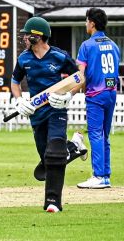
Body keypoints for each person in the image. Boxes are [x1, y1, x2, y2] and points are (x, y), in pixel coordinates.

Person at [10, 16, 86, 213]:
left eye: (27, 35)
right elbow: (15, 82)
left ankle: (53, 202)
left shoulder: (60, 57)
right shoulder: (23, 58)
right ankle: (74, 146)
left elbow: (80, 78)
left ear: (39, 36)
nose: (25, 38)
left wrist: (68, 96)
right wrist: (19, 100)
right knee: (47, 159)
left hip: (56, 109)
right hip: (36, 114)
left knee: (54, 154)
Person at [75, 8, 120, 189]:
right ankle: (106, 175)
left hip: (95, 94)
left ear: (92, 23)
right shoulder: (114, 45)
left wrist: (71, 93)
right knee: (104, 135)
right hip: (111, 93)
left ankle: (98, 175)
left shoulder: (87, 46)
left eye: (87, 21)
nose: (86, 24)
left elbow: (81, 75)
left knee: (95, 134)